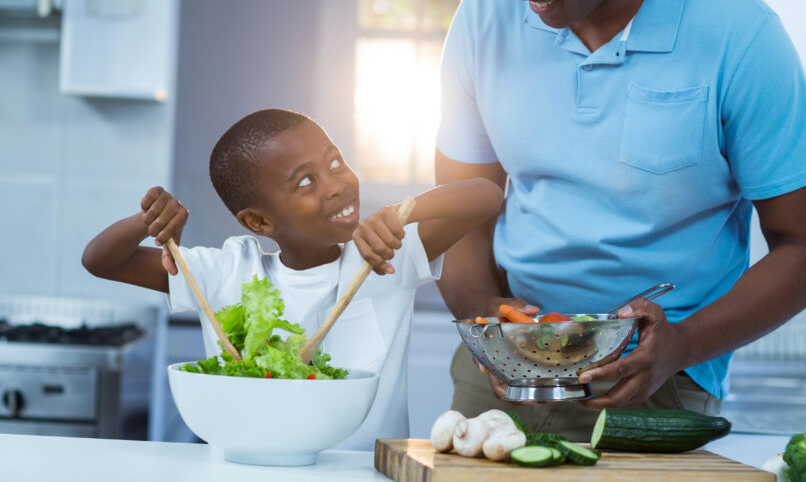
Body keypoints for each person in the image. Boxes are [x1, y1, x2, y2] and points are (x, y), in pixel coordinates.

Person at [435, 0, 806, 440]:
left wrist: (680, 346)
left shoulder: (740, 34)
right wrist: (490, 327)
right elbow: (458, 218)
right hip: (504, 365)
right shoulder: (481, 20)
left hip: (659, 377)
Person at [82, 107, 504, 450]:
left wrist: (404, 211)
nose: (337, 185)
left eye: (336, 162)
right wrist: (148, 221)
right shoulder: (227, 272)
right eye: (306, 181)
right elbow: (101, 260)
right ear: (259, 221)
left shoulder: (381, 254)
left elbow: (486, 195)